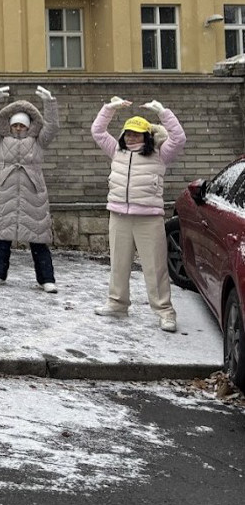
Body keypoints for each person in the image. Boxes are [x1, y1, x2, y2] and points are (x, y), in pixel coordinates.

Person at [90, 97, 186, 332]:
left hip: (149, 218)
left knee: (155, 267)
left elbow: (179, 138)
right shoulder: (116, 151)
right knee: (119, 263)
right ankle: (117, 303)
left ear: (147, 136)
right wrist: (110, 108)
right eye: (129, 133)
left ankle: (165, 311)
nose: (132, 137)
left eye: (138, 134)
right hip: (119, 215)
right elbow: (98, 130)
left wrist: (163, 111)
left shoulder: (160, 154)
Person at [0, 85, 59, 292]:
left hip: (33, 193)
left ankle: (46, 279)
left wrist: (49, 103)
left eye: (22, 125)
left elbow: (52, 127)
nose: (18, 128)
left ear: (29, 127)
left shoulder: (38, 142)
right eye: (15, 125)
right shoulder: (1, 140)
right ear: (10, 126)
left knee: (38, 238)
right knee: (1, 236)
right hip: (4, 192)